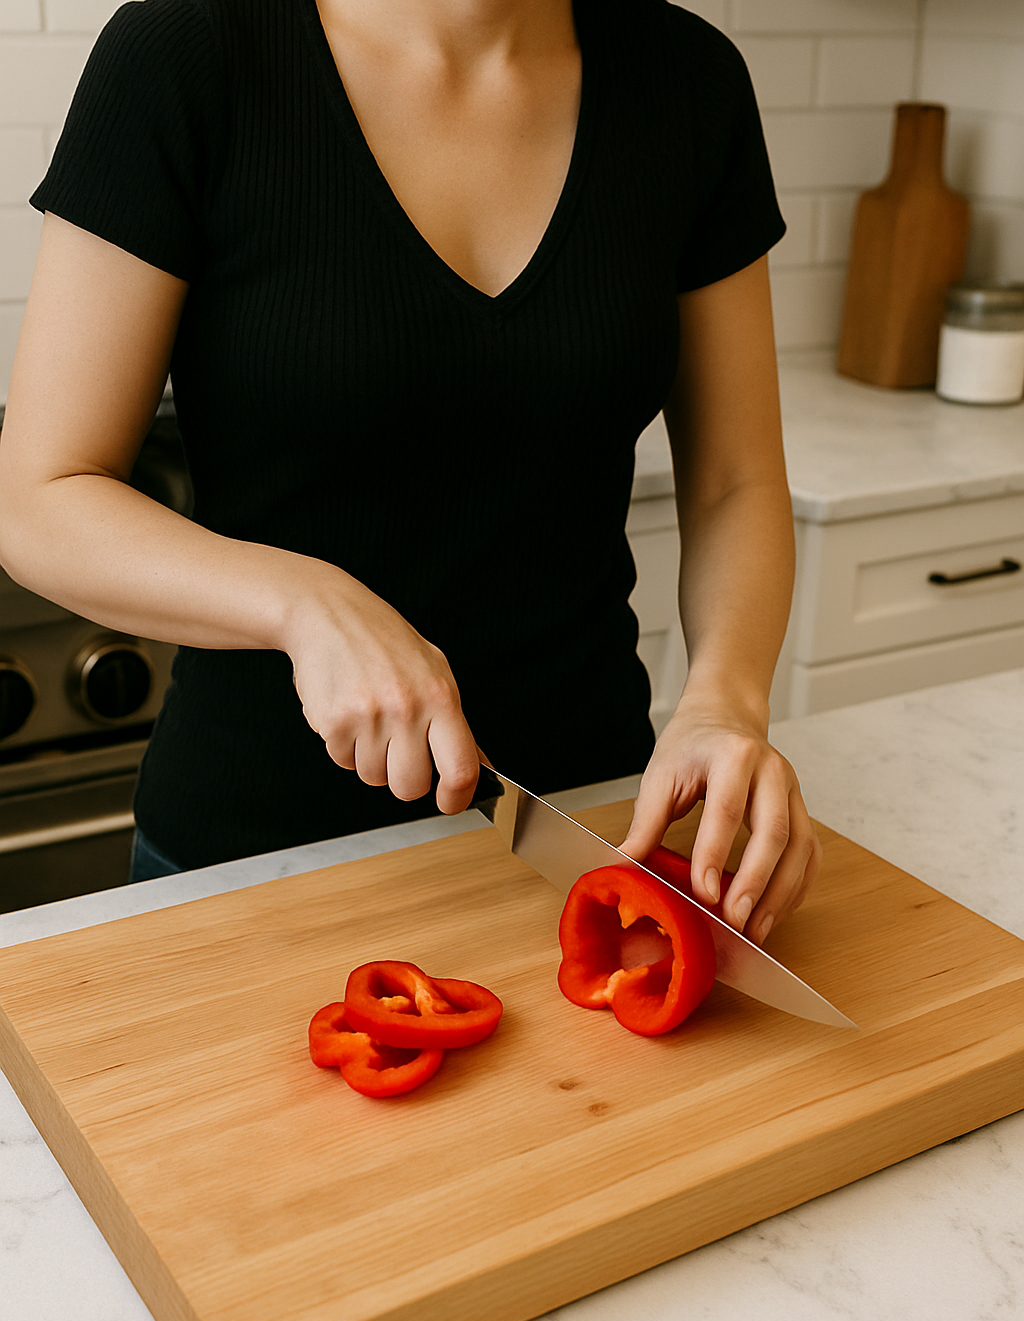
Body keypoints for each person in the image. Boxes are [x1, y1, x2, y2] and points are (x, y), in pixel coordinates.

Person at [0, 0, 820, 946]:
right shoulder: (185, 54)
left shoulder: (689, 79)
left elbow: (734, 480)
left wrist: (726, 700)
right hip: (256, 858)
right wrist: (302, 603)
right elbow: (40, 498)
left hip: (589, 836)